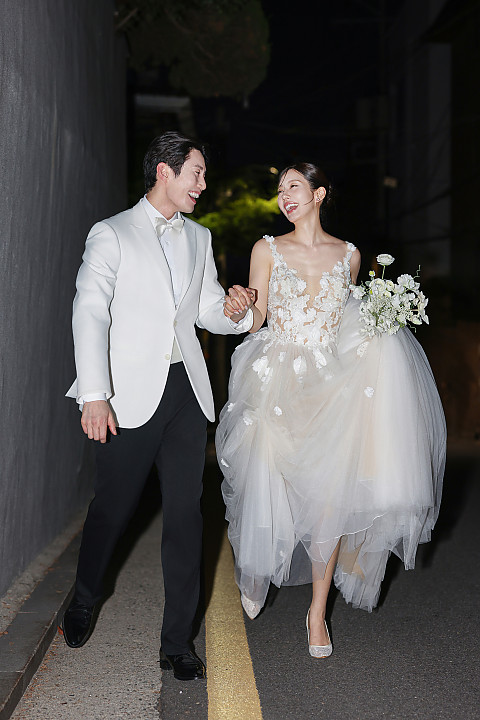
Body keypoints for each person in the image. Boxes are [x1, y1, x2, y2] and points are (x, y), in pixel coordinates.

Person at [217, 162, 446, 658]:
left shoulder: (350, 255)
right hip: (275, 376)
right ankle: (256, 570)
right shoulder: (266, 249)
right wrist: (241, 309)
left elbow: (349, 321)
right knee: (266, 476)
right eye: (280, 189)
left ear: (318, 194)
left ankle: (317, 612)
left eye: (293, 186)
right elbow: (257, 317)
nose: (284, 196)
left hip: (331, 384)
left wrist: (383, 327)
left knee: (328, 497)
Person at [63, 131, 254, 681]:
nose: (202, 184)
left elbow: (206, 309)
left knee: (187, 516)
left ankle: (177, 643)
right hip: (125, 395)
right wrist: (95, 394)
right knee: (112, 508)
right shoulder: (111, 233)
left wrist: (235, 310)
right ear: (164, 172)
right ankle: (84, 595)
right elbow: (90, 312)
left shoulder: (200, 236)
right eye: (196, 172)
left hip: (185, 391)